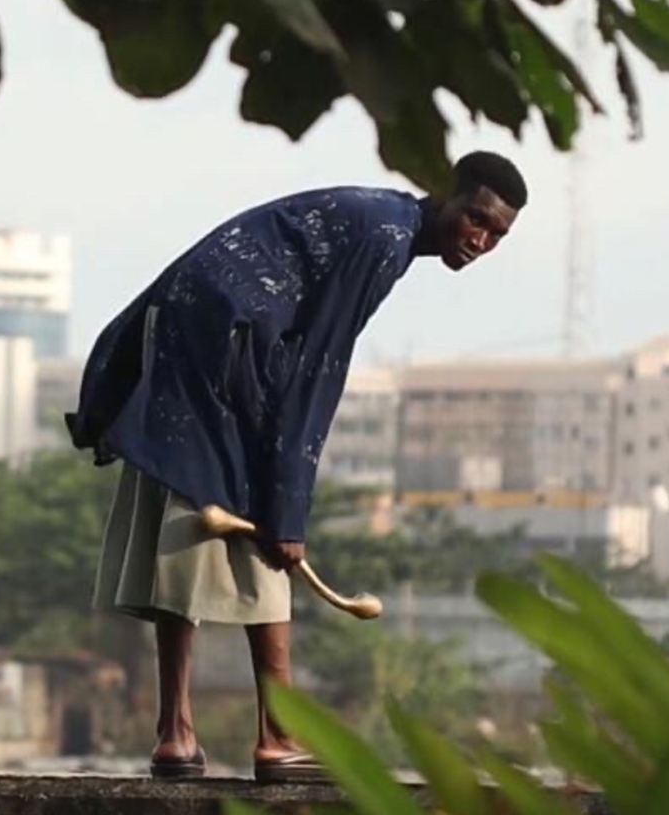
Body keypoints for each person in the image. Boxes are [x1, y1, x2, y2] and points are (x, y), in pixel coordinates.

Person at [65, 151, 527, 782]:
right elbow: (316, 371)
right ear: (445, 195)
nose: (480, 239)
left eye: (496, 234)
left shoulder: (380, 220)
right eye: (476, 218)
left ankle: (177, 735)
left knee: (187, 516)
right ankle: (276, 737)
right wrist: (287, 510)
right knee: (259, 533)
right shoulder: (384, 239)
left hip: (187, 338)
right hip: (218, 345)